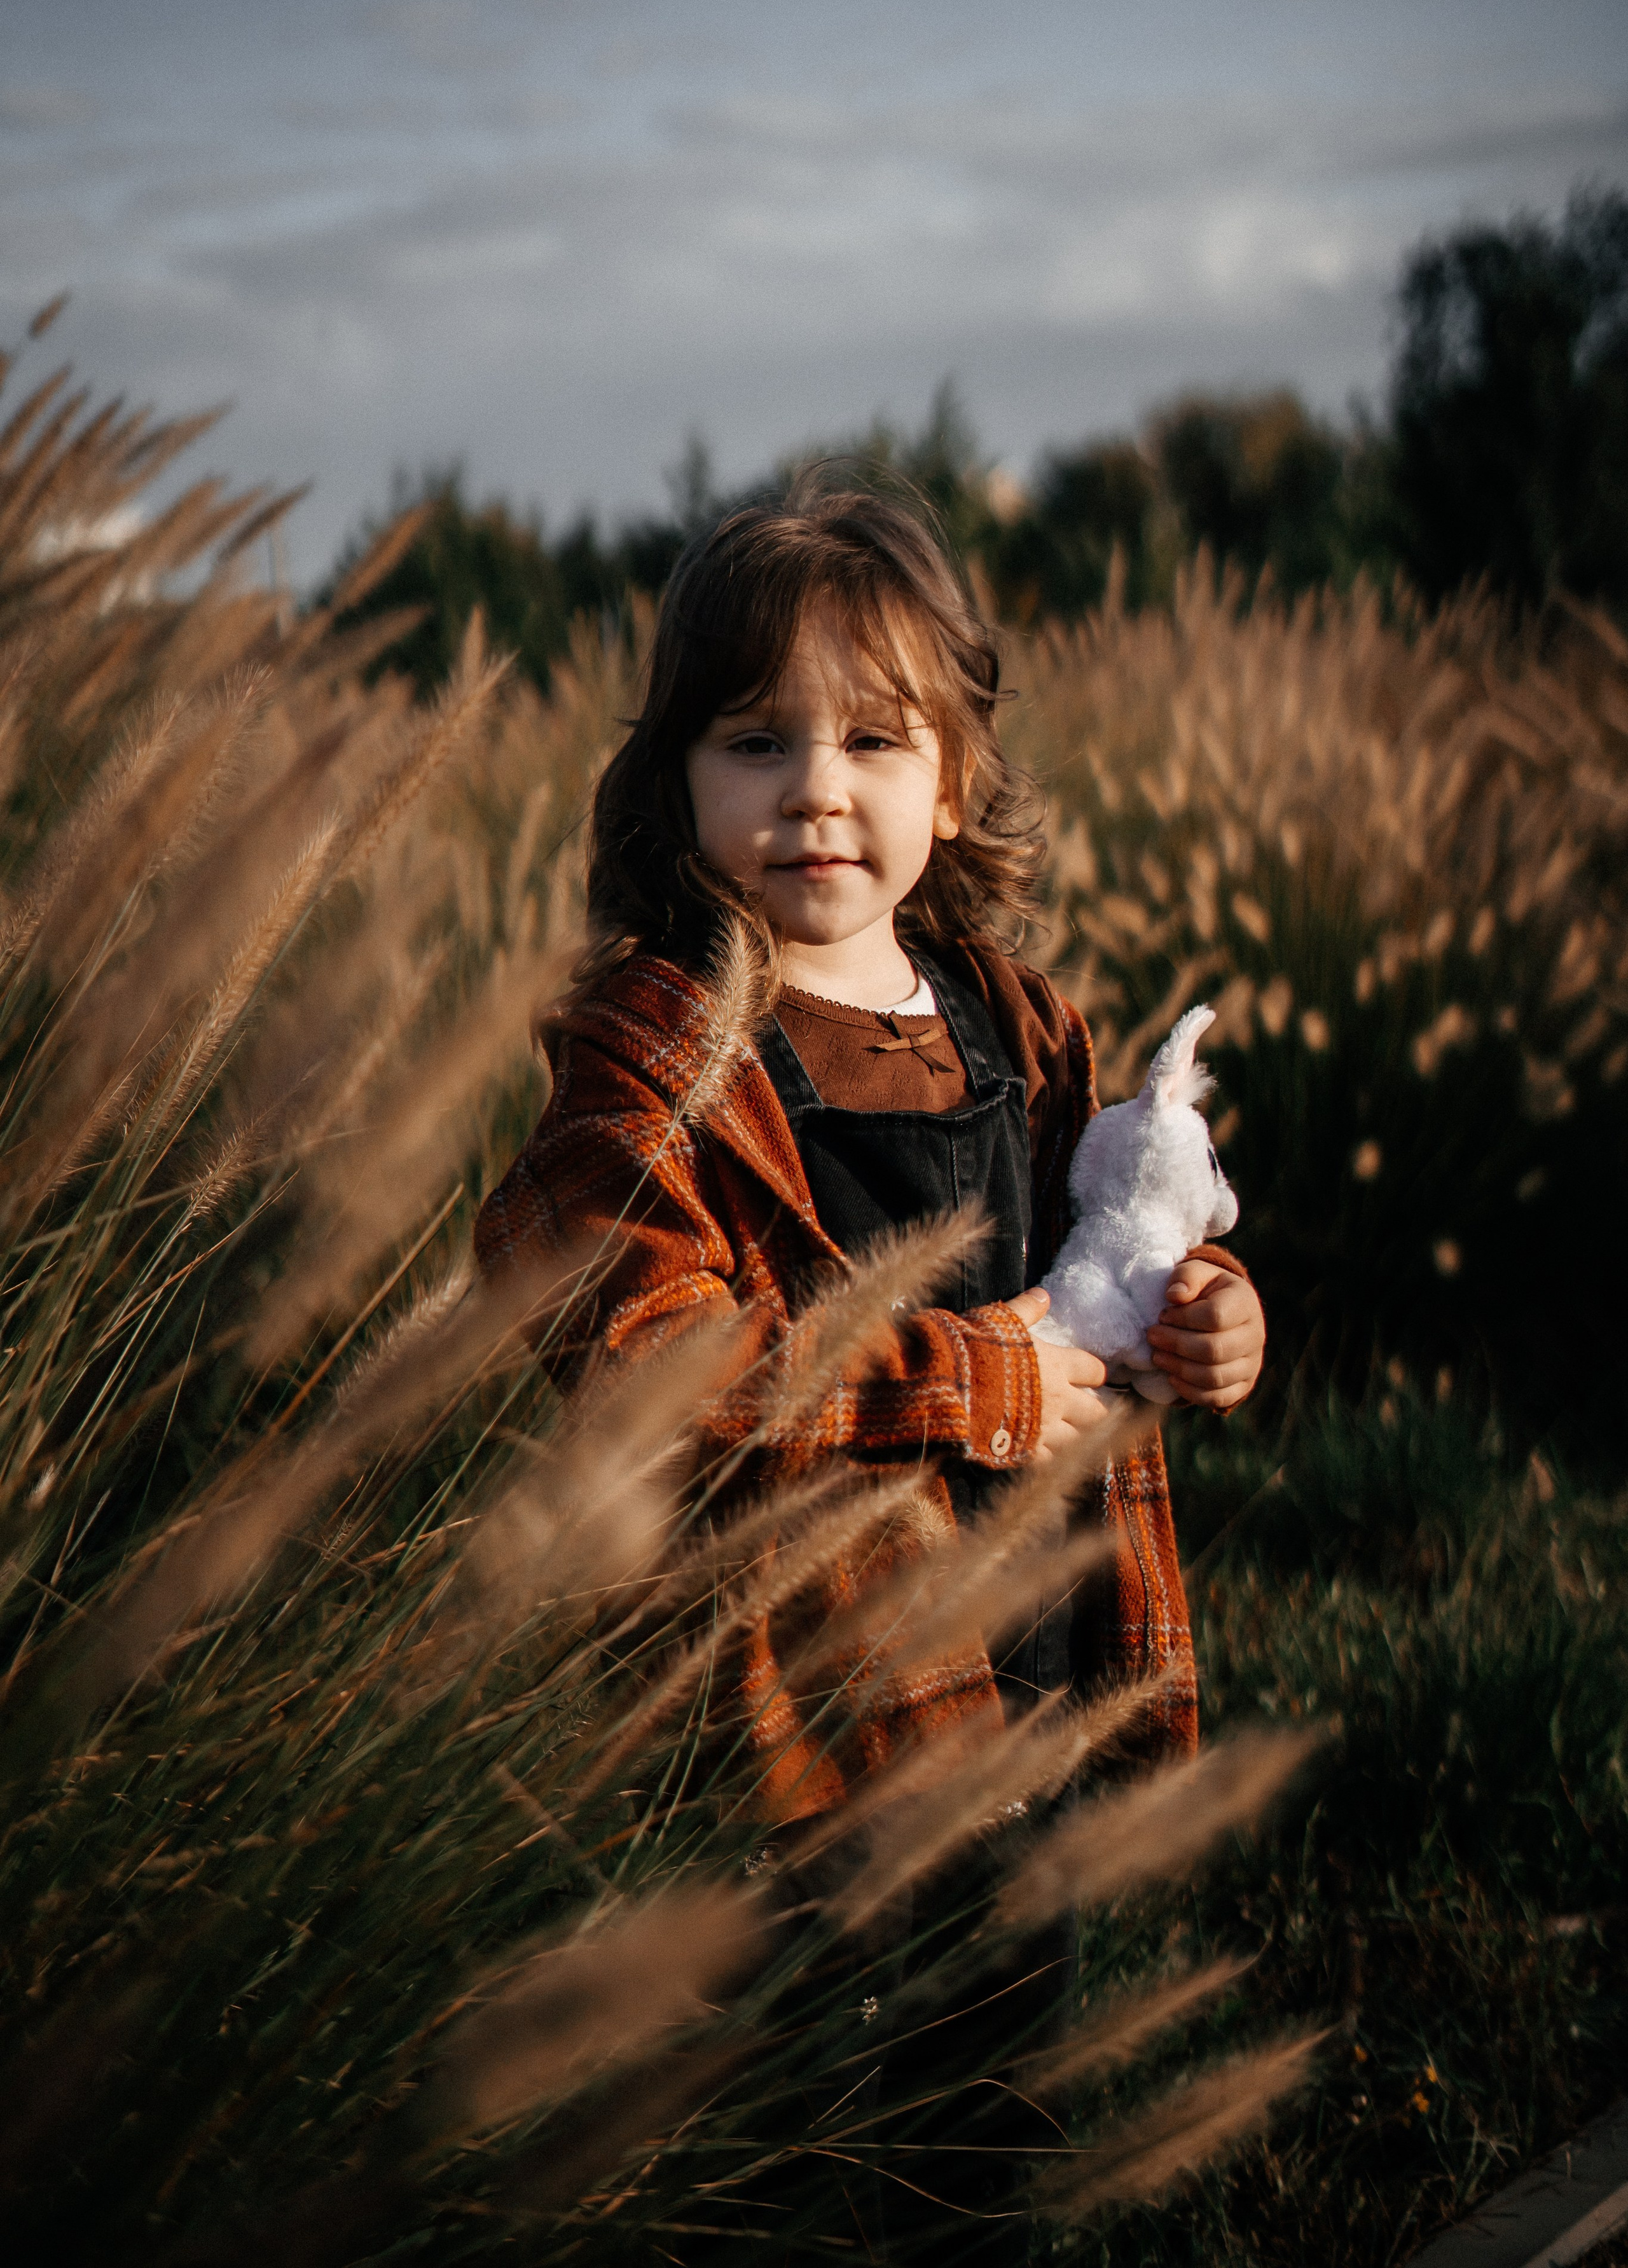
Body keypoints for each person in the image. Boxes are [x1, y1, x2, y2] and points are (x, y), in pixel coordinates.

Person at [473, 470, 1265, 2250]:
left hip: (1028, 1657)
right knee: (805, 2110)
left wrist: (1212, 1316)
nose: (818, 790)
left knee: (997, 2075)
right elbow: (639, 1352)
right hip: (796, 1707)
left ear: (954, 778)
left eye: (876, 740)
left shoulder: (1012, 1019)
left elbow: (1111, 1261)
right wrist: (962, 1378)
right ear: (675, 777)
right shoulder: (658, 1051)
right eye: (757, 740)